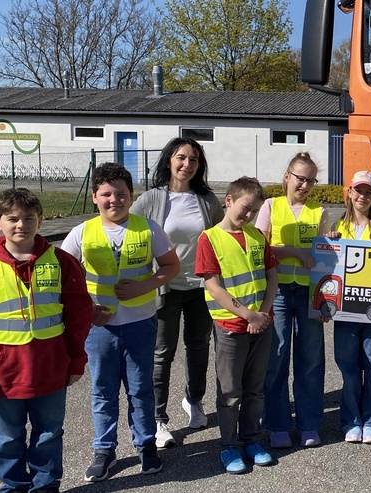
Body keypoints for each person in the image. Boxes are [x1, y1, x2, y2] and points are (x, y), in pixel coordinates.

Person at [0, 188, 92, 493]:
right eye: (12, 219)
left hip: (51, 371)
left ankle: (45, 486)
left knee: (49, 434)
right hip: (2, 376)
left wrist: (76, 361)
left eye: (29, 218)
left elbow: (79, 317)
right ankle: (13, 487)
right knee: (6, 438)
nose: (21, 225)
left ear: (40, 220)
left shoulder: (62, 263)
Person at [61, 163, 180, 481]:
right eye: (107, 194)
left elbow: (170, 265)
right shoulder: (82, 233)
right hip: (99, 328)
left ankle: (146, 447)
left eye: (122, 194)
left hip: (141, 322)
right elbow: (66, 280)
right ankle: (105, 451)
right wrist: (89, 311)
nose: (115, 200)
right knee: (103, 390)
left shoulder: (148, 228)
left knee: (140, 389)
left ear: (131, 195)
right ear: (95, 197)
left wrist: (145, 285)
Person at [130, 137, 224, 448]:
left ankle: (193, 402)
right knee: (161, 354)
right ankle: (158, 420)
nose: (187, 164)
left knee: (198, 347)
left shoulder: (207, 200)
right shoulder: (151, 199)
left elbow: (221, 238)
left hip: (200, 286)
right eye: (181, 157)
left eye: (194, 160)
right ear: (169, 159)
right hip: (164, 287)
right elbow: (128, 232)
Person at [195, 177, 278, 473]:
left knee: (255, 389)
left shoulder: (256, 236)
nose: (248, 215)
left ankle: (252, 440)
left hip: (261, 324)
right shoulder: (209, 239)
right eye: (245, 208)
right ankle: (229, 446)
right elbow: (214, 287)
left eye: (254, 211)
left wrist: (264, 314)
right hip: (231, 327)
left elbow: (272, 277)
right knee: (230, 392)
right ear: (229, 200)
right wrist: (248, 315)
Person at [254, 152, 329, 449]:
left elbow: (326, 258)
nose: (305, 185)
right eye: (301, 178)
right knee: (276, 358)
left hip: (310, 293)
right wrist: (295, 253)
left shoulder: (319, 211)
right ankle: (277, 424)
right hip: (279, 292)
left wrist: (325, 299)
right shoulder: (270, 207)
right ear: (287, 177)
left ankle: (309, 423)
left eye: (311, 180)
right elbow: (261, 249)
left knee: (311, 359)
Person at [324, 170, 371, 444]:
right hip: (346, 311)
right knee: (349, 367)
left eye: (368, 192)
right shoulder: (337, 227)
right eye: (358, 191)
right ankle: (352, 421)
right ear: (350, 193)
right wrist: (330, 243)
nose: (362, 197)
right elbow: (328, 268)